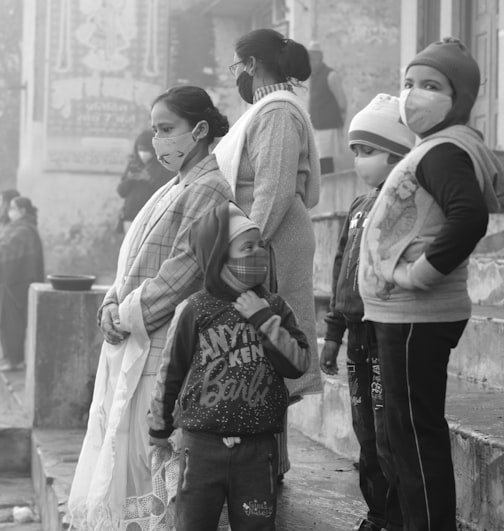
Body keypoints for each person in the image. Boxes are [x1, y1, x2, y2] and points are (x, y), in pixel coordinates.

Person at [359, 38, 504, 531]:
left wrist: (419, 274)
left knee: (414, 437)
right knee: (406, 436)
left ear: (460, 98)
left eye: (431, 86)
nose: (413, 95)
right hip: (402, 316)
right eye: (408, 84)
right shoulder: (436, 147)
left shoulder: (446, 150)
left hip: (415, 317)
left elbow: (468, 218)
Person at [68, 85, 233, 530]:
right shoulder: (172, 187)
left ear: (198, 130)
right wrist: (110, 300)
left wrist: (123, 314)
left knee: (148, 461)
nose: (157, 140)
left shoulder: (210, 188)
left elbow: (185, 270)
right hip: (135, 334)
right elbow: (131, 259)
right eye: (154, 129)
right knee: (122, 450)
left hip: (161, 345)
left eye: (166, 129)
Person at [149, 202, 311, 530]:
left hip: (258, 449)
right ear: (220, 257)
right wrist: (159, 428)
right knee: (193, 524)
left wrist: (264, 319)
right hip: (200, 448)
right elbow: (171, 372)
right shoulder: (194, 310)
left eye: (260, 246)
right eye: (247, 247)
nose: (259, 254)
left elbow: (298, 364)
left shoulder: (275, 306)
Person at [214, 27, 322, 477]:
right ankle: (267, 462)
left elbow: (273, 192)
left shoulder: (276, 112)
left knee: (268, 351)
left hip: (272, 244)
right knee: (256, 353)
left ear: (251, 65)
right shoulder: (267, 109)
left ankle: (266, 467)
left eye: (238, 66)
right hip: (262, 239)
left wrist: (245, 253)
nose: (236, 75)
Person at [319, 94, 416, 531]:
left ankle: (396, 515)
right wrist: (334, 334)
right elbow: (342, 270)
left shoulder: (403, 205)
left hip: (387, 333)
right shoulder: (359, 208)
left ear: (398, 155)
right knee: (364, 428)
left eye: (370, 152)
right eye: (356, 151)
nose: (360, 161)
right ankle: (377, 511)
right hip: (356, 337)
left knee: (386, 428)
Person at [0, 196, 45, 372]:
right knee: (4, 322)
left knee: (13, 323)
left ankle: (15, 360)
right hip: (7, 280)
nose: (9, 211)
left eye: (13, 208)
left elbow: (6, 251)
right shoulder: (16, 227)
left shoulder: (24, 230)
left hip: (17, 281)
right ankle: (8, 357)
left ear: (22, 211)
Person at [116, 128, 173, 233]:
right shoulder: (134, 164)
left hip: (151, 217)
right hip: (130, 216)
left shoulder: (164, 166)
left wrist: (148, 179)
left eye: (146, 150)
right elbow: (121, 192)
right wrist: (129, 179)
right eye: (140, 149)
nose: (142, 153)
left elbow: (167, 193)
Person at [307, 41, 348, 175]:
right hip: (317, 127)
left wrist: (341, 122)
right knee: (317, 162)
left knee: (325, 163)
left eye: (312, 59)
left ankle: (327, 190)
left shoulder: (331, 75)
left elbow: (342, 102)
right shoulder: (313, 76)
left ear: (318, 59)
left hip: (328, 127)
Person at [0, 188, 21, 331]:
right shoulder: (4, 221)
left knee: (8, 313)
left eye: (1, 201)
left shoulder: (14, 224)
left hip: (8, 271)